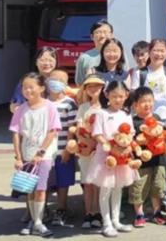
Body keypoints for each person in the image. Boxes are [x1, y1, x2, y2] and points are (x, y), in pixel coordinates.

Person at [10, 73, 61, 237]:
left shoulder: (50, 107)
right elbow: (16, 133)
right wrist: (18, 157)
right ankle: (34, 220)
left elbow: (53, 131)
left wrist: (41, 152)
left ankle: (38, 222)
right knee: (30, 188)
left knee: (40, 188)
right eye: (24, 87)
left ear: (41, 88)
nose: (27, 90)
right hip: (27, 155)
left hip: (44, 156)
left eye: (31, 87)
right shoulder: (21, 109)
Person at [85, 81, 137, 237]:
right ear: (107, 95)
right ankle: (106, 223)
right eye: (114, 96)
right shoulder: (101, 113)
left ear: (126, 96)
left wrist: (126, 146)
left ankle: (116, 220)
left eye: (121, 96)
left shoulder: (126, 114)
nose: (118, 99)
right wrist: (108, 145)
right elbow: (97, 134)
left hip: (122, 157)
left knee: (118, 189)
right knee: (106, 189)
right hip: (106, 157)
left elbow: (131, 133)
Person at [128, 87, 166, 227]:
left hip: (159, 160)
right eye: (144, 101)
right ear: (135, 105)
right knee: (139, 187)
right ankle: (139, 214)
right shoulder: (133, 122)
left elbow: (164, 134)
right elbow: (131, 141)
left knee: (157, 186)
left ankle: (157, 212)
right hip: (141, 162)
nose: (148, 104)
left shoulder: (157, 118)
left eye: (150, 101)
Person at [46, 69, 78, 228]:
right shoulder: (43, 103)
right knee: (46, 181)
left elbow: (72, 128)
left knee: (63, 182)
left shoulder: (70, 103)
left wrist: (68, 149)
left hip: (63, 150)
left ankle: (61, 208)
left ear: (66, 85)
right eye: (54, 79)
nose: (56, 83)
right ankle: (42, 209)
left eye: (61, 80)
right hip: (46, 152)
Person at [75, 75, 105, 229]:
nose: (93, 89)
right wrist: (87, 144)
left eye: (97, 86)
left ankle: (98, 212)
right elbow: (78, 129)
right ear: (85, 90)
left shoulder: (105, 107)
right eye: (90, 86)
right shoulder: (83, 107)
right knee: (87, 183)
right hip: (85, 150)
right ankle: (88, 213)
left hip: (101, 150)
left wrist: (96, 144)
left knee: (98, 182)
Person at [10, 46, 58, 113]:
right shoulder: (27, 81)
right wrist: (20, 111)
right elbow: (14, 104)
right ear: (36, 62)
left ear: (56, 62)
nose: (47, 63)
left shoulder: (60, 81)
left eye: (50, 60)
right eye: (42, 60)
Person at [137, 39, 166, 112]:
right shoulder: (139, 73)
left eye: (162, 51)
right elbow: (134, 96)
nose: (159, 54)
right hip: (147, 114)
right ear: (149, 52)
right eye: (155, 50)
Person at [76, 20, 113, 85]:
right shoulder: (84, 57)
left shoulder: (118, 55)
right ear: (92, 36)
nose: (102, 36)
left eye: (105, 32)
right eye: (98, 32)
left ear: (111, 35)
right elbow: (80, 83)